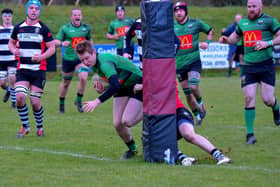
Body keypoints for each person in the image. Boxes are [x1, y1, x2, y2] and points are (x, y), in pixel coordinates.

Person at [219, 0, 280, 144]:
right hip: (248, 66)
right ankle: (250, 135)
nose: (251, 9)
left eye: (254, 6)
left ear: (261, 7)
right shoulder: (243, 23)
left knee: (267, 99)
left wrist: (268, 43)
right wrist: (226, 40)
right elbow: (234, 38)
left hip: (266, 66)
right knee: (248, 98)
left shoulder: (269, 21)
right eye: (249, 6)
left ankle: (276, 108)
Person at [75, 40, 142, 160]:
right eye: (82, 60)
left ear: (94, 52)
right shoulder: (95, 63)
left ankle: (152, 109)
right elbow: (114, 83)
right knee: (117, 124)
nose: (86, 62)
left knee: (127, 121)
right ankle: (133, 150)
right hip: (124, 86)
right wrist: (103, 87)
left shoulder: (104, 62)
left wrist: (97, 100)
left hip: (138, 83)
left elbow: (115, 85)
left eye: (87, 58)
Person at [8, 0, 55, 138]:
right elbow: (11, 43)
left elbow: (52, 47)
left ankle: (40, 127)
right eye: (31, 8)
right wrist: (13, 50)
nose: (34, 10)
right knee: (20, 97)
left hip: (38, 70)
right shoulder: (18, 27)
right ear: (27, 10)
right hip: (22, 69)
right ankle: (25, 126)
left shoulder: (43, 28)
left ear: (39, 11)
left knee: (35, 102)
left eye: (36, 8)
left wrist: (42, 57)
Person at [173, 2, 213, 125]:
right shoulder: (171, 27)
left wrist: (207, 42)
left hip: (193, 61)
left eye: (181, 10)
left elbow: (210, 30)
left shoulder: (196, 24)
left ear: (185, 12)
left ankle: (201, 104)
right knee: (188, 95)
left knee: (193, 86)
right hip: (179, 65)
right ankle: (198, 116)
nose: (178, 13)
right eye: (176, 11)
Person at [55, 7, 93, 113]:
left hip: (81, 59)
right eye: (75, 15)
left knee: (84, 78)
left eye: (79, 15)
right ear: (71, 17)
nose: (77, 16)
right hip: (68, 59)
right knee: (66, 83)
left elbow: (89, 40)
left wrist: (91, 52)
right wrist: (62, 43)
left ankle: (79, 100)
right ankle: (61, 105)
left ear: (81, 16)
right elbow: (56, 41)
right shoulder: (65, 28)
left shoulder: (86, 28)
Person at [0, 8, 17, 108]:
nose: (7, 18)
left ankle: (14, 103)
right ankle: (9, 91)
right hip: (1, 60)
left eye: (9, 16)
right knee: (2, 83)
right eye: (5, 16)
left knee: (12, 78)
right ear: (2, 17)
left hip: (12, 58)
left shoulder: (15, 29)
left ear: (11, 17)